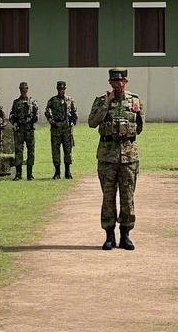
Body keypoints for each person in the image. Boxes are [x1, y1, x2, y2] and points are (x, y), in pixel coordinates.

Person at [88, 68, 144, 250]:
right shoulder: (101, 101)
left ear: (125, 82)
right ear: (110, 83)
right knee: (108, 197)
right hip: (107, 157)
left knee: (128, 198)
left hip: (129, 157)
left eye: (121, 82)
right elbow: (92, 122)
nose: (118, 85)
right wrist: (106, 104)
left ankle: (126, 235)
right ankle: (109, 235)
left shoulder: (134, 100)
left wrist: (137, 114)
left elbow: (140, 128)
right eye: (114, 82)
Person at [45, 81, 78, 180]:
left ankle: (68, 172)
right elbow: (47, 112)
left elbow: (74, 113)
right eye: (59, 89)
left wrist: (73, 122)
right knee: (55, 151)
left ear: (65, 89)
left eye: (63, 89)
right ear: (57, 89)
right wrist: (53, 122)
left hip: (67, 130)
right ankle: (57, 172)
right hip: (56, 129)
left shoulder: (70, 100)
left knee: (68, 151)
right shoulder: (52, 100)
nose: (61, 91)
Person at [10, 83, 38, 180]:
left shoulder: (32, 102)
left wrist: (32, 120)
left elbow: (36, 115)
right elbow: (11, 115)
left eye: (25, 89)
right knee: (19, 151)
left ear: (27, 89)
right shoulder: (16, 102)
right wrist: (15, 123)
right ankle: (18, 174)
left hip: (29, 130)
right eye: (21, 89)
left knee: (31, 151)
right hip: (19, 130)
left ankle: (29, 174)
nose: (23, 91)